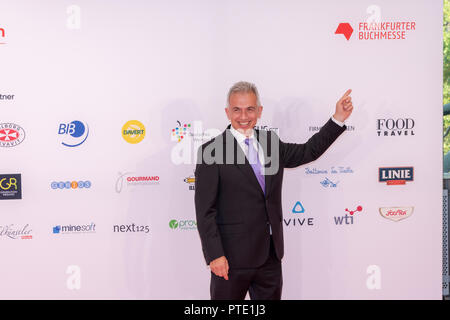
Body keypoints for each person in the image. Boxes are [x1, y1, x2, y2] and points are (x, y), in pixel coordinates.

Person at [194, 81, 353, 300]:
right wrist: (215, 255)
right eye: (236, 110)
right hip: (230, 260)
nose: (243, 116)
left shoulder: (271, 143)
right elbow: (205, 211)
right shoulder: (211, 151)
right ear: (227, 112)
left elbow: (308, 151)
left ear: (259, 111)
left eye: (250, 109)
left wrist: (337, 119)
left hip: (270, 257)